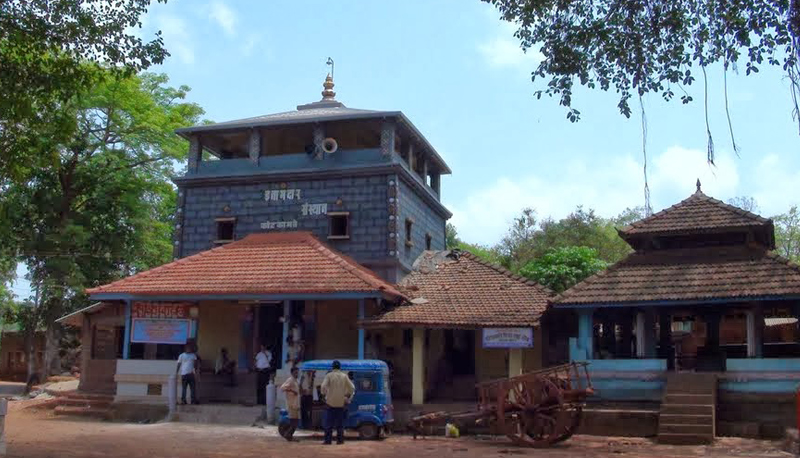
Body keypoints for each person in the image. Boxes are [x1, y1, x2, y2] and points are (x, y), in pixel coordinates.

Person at [320, 360, 354, 445]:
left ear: (332, 367)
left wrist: (323, 394)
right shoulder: (344, 376)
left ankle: (328, 441)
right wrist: (347, 396)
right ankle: (340, 441)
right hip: (341, 403)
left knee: (329, 424)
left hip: (330, 403)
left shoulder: (329, 375)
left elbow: (323, 386)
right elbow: (352, 388)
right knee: (340, 424)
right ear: (340, 367)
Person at [280, 366, 301, 441]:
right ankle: (288, 435)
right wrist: (292, 391)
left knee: (296, 420)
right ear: (292, 373)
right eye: (295, 372)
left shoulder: (296, 381)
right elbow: (282, 388)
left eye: (297, 372)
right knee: (293, 421)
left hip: (296, 403)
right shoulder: (290, 380)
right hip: (291, 403)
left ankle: (289, 435)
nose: (297, 373)